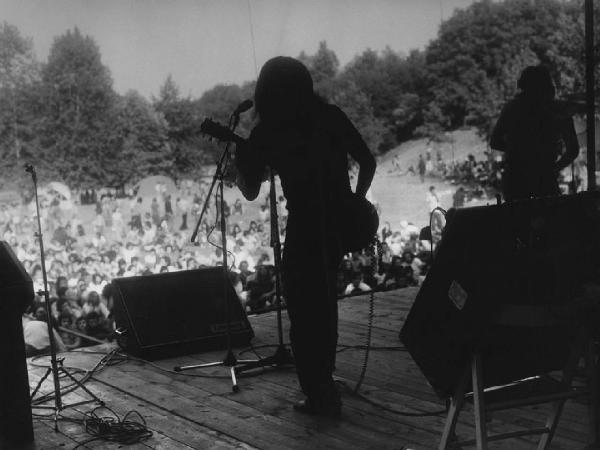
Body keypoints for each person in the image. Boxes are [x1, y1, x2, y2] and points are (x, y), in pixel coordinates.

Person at [234, 56, 376, 417]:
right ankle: (325, 385)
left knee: (302, 310)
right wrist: (354, 202)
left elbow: (250, 191)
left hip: (304, 226)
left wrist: (241, 159)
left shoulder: (268, 131)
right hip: (335, 224)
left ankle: (318, 394)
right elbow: (368, 161)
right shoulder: (331, 116)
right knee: (326, 305)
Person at [490, 65, 579, 201]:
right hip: (544, 176)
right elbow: (573, 150)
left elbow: (495, 141)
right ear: (548, 88)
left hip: (516, 177)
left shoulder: (512, 108)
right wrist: (554, 168)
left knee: (518, 219)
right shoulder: (559, 110)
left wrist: (518, 150)